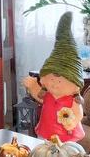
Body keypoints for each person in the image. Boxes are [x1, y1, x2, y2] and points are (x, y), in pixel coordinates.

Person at [22, 12, 85, 143]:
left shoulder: (73, 100)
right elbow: (38, 96)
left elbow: (78, 114)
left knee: (66, 156)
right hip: (46, 132)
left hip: (66, 137)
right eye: (51, 79)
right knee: (45, 154)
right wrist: (33, 86)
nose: (55, 84)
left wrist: (72, 124)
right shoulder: (48, 95)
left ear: (75, 84)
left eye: (60, 81)